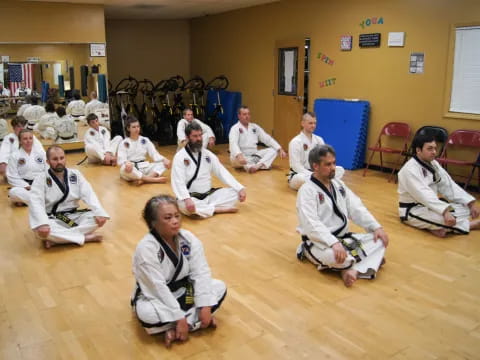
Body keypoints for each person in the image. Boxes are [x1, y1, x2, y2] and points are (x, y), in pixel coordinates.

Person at [131, 195, 226, 347]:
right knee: (147, 314)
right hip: (155, 296)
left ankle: (176, 328)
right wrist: (178, 317)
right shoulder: (146, 248)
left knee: (219, 286)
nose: (175, 221)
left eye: (177, 216)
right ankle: (191, 322)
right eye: (168, 218)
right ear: (153, 223)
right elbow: (157, 288)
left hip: (185, 290)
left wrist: (205, 305)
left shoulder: (188, 239)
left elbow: (200, 272)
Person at [296, 144, 388, 287]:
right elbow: (311, 223)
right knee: (332, 256)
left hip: (343, 240)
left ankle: (352, 269)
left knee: (380, 240)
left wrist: (375, 226)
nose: (333, 167)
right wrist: (333, 242)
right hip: (320, 243)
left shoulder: (338, 184)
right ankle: (365, 262)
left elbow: (356, 208)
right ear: (315, 166)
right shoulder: (307, 191)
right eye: (328, 164)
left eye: (334, 163)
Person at [397, 133, 480, 237]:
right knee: (442, 219)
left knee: (466, 208)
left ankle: (435, 227)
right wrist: (445, 212)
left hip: (433, 206)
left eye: (435, 148)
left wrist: (470, 204)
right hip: (413, 210)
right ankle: (470, 225)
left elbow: (449, 185)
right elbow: (424, 194)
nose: (434, 152)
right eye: (430, 149)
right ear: (418, 150)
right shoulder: (409, 170)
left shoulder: (433, 163)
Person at [29, 145, 110, 249]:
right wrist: (42, 223)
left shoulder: (75, 174)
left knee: (97, 219)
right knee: (42, 231)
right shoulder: (41, 179)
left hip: (73, 217)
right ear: (48, 161)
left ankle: (59, 240)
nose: (59, 162)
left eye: (62, 158)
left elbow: (89, 194)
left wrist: (99, 212)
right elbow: (36, 203)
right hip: (52, 219)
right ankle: (85, 238)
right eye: (55, 159)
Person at [172, 122, 246, 218]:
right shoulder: (180, 157)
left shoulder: (208, 155)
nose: (199, 139)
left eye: (200, 135)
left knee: (235, 193)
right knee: (184, 205)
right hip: (191, 197)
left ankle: (205, 210)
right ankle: (216, 209)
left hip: (208, 195)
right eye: (195, 136)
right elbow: (178, 181)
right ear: (187, 137)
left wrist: (239, 188)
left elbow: (222, 172)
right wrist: (186, 199)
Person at [288, 112, 345, 190]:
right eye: (310, 123)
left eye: (315, 123)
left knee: (340, 170)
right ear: (302, 123)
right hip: (300, 174)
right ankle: (324, 184)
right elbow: (295, 166)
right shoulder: (295, 142)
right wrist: (313, 174)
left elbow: (325, 159)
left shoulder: (319, 140)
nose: (313, 126)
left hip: (317, 172)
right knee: (301, 179)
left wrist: (322, 172)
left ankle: (321, 184)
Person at [229, 106, 287, 173]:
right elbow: (233, 144)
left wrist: (279, 149)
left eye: (248, 114)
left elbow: (267, 138)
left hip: (253, 155)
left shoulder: (255, 127)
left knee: (274, 150)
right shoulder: (235, 128)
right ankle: (261, 165)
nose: (247, 116)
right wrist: (239, 156)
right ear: (239, 116)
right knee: (236, 158)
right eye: (244, 114)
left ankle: (257, 166)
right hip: (241, 156)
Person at [117, 116, 171, 185]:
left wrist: (164, 159)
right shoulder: (124, 143)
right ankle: (152, 180)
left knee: (163, 164)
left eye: (138, 126)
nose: (137, 129)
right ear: (128, 128)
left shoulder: (145, 140)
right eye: (134, 127)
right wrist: (126, 163)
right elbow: (121, 160)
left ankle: (143, 180)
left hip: (143, 166)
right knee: (123, 168)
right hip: (131, 168)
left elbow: (154, 154)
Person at [6, 129, 47, 206]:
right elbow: (12, 175)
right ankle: (41, 201)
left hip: (40, 184)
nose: (28, 141)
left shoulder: (41, 153)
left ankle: (28, 201)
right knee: (13, 192)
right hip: (24, 187)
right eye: (25, 139)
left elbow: (48, 170)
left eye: (30, 138)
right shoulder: (15, 155)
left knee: (55, 189)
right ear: (20, 141)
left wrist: (41, 184)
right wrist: (26, 186)